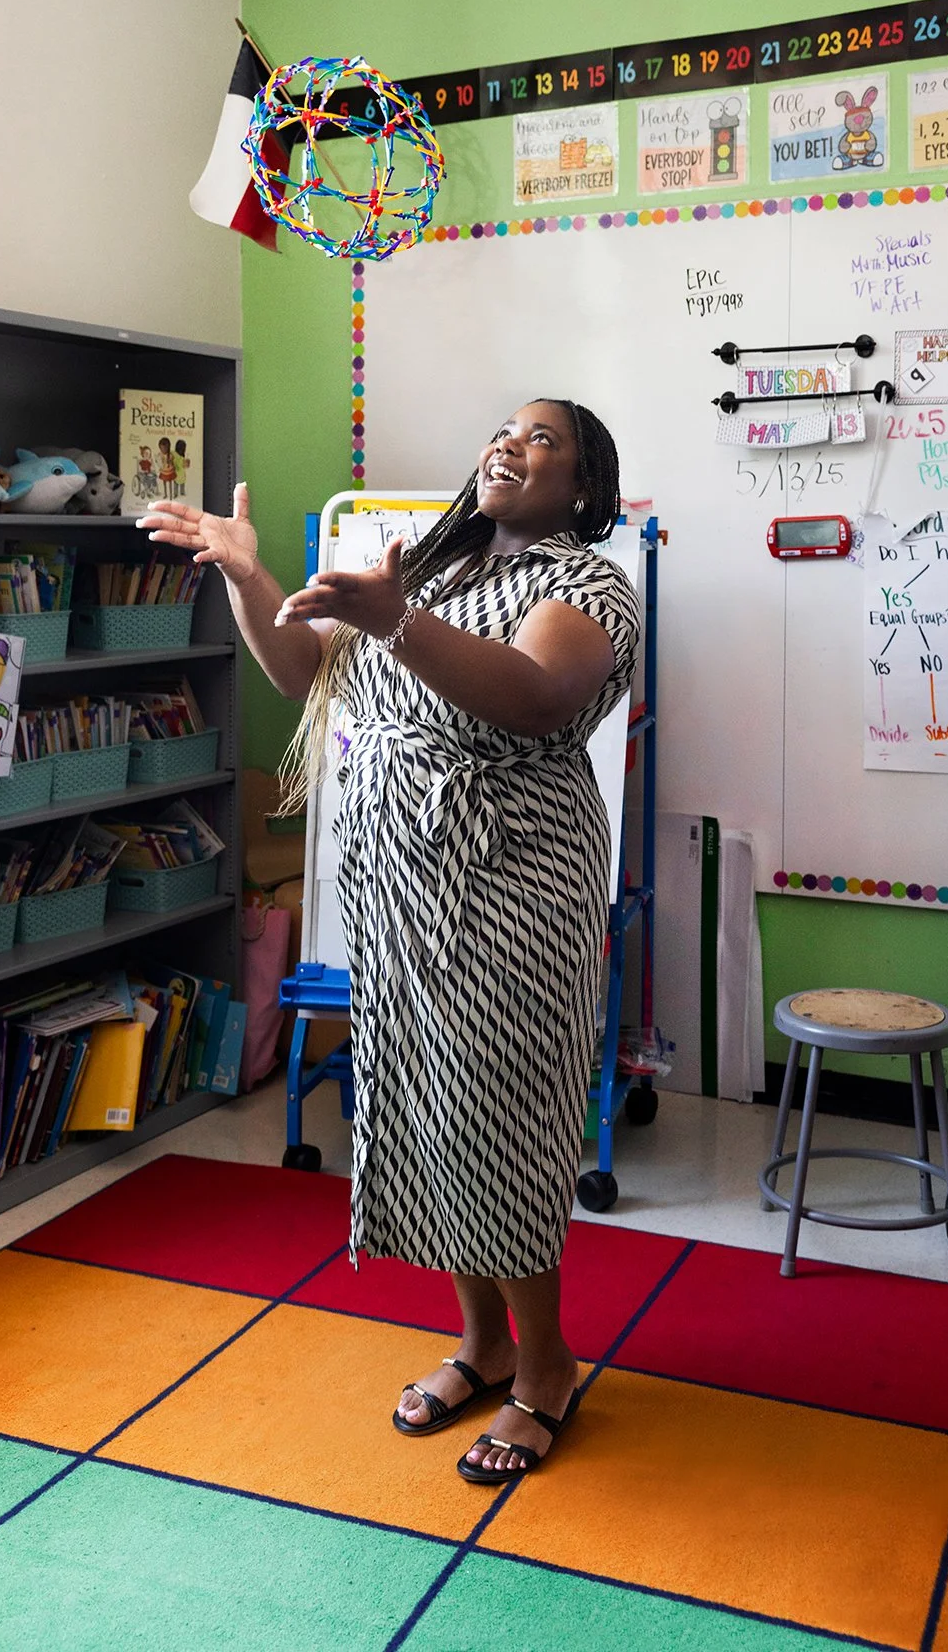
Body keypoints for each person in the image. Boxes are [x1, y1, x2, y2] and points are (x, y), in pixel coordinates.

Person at [137, 399, 641, 1484]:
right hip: (403, 884)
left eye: (544, 438)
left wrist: (395, 620)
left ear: (587, 490)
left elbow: (540, 698)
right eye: (504, 429)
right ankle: (483, 1343)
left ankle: (545, 1366)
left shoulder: (586, 585)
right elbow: (299, 673)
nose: (510, 443)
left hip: (514, 888)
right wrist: (245, 574)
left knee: (500, 1116)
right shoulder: (438, 576)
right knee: (419, 1105)